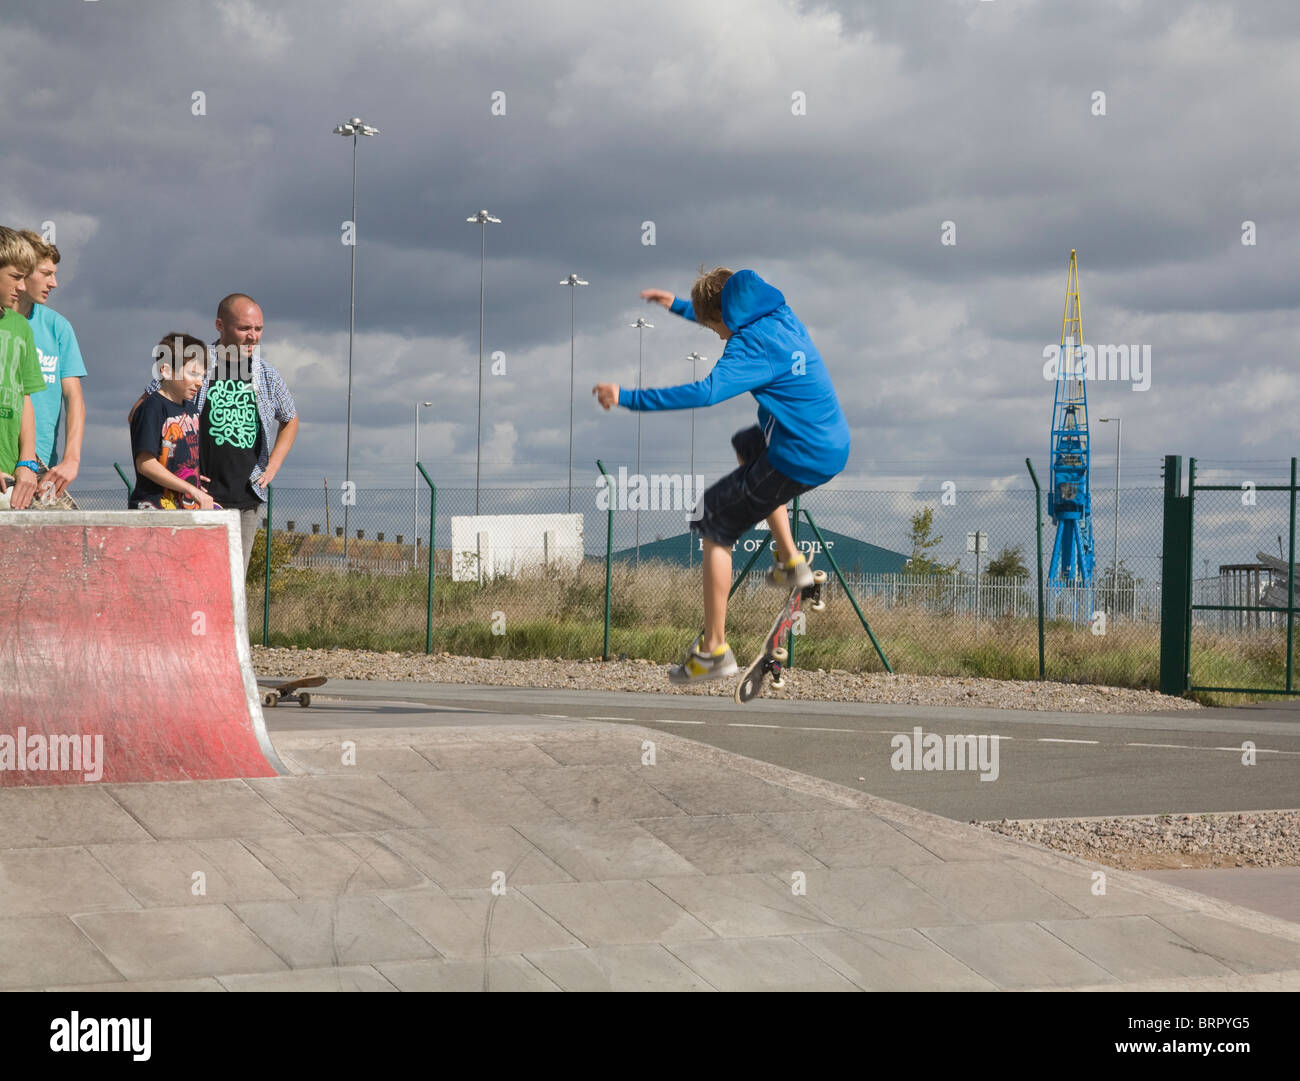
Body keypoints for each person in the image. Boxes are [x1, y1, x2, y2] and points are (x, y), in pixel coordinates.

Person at [593, 266, 850, 683]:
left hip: (800, 455)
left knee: (713, 520)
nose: (716, 337)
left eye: (714, 329)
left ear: (727, 319)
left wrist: (627, 397)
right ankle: (790, 562)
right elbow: (728, 312)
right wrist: (678, 305)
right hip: (830, 440)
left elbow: (705, 392)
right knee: (747, 446)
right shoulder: (780, 315)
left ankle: (714, 650)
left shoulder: (748, 345)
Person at [132, 293, 298, 573]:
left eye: (258, 329)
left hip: (246, 497)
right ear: (220, 325)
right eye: (244, 328)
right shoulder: (193, 361)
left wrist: (273, 466)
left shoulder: (266, 374)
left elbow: (290, 419)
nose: (253, 336)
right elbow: (145, 407)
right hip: (193, 497)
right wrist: (178, 468)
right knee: (191, 576)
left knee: (233, 582)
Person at [16, 230, 86, 499]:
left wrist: (71, 459)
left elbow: (74, 396)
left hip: (42, 468)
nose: (54, 283)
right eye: (46, 273)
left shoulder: (58, 327)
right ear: (22, 272)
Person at [129, 334, 214, 510]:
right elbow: (145, 464)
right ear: (166, 370)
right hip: (154, 507)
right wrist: (190, 489)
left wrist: (195, 481)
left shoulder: (191, 410)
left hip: (184, 507)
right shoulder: (151, 409)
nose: (199, 382)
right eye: (193, 373)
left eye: (202, 376)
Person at [0, 226, 45, 510]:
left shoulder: (20, 327)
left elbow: (25, 396)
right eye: (15, 277)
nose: (21, 287)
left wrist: (26, 463)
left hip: (10, 481)